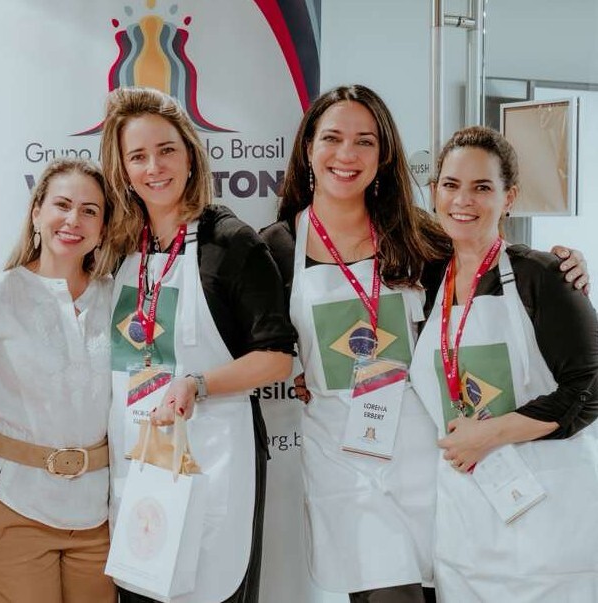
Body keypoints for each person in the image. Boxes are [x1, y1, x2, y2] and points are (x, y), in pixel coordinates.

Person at [259, 85, 590, 603]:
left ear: (384, 154)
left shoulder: (418, 237)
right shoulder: (276, 248)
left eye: (364, 141)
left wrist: (565, 267)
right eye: (332, 138)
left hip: (430, 456)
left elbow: (482, 263)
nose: (347, 155)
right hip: (345, 458)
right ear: (308, 148)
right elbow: (265, 346)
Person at [100, 87, 295, 603]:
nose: (154, 167)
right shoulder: (122, 247)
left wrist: (197, 384)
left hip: (215, 460)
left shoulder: (232, 244)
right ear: (122, 169)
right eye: (137, 156)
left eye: (166, 150)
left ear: (190, 154)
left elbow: (276, 358)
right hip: (138, 463)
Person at [409, 126, 598, 601]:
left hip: (549, 527)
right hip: (466, 526)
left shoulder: (544, 276)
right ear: (434, 193)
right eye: (451, 185)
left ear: (509, 196)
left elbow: (590, 387)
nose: (463, 201)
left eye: (482, 187)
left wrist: (489, 433)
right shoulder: (428, 282)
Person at [0, 158, 119, 603]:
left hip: (98, 513)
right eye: (62, 205)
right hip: (13, 503)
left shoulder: (118, 298)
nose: (73, 220)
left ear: (103, 228)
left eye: (90, 210)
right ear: (36, 213)